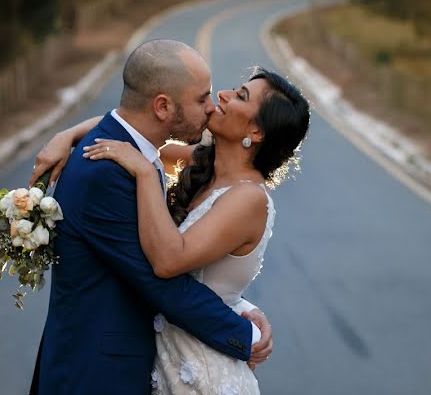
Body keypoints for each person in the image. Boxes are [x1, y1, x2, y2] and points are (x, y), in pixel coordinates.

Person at [31, 49, 310, 394]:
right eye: (209, 95)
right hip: (161, 361)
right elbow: (138, 129)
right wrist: (68, 135)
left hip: (202, 368)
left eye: (240, 96)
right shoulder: (202, 161)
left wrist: (147, 175)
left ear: (256, 130)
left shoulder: (249, 196)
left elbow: (168, 263)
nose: (220, 97)